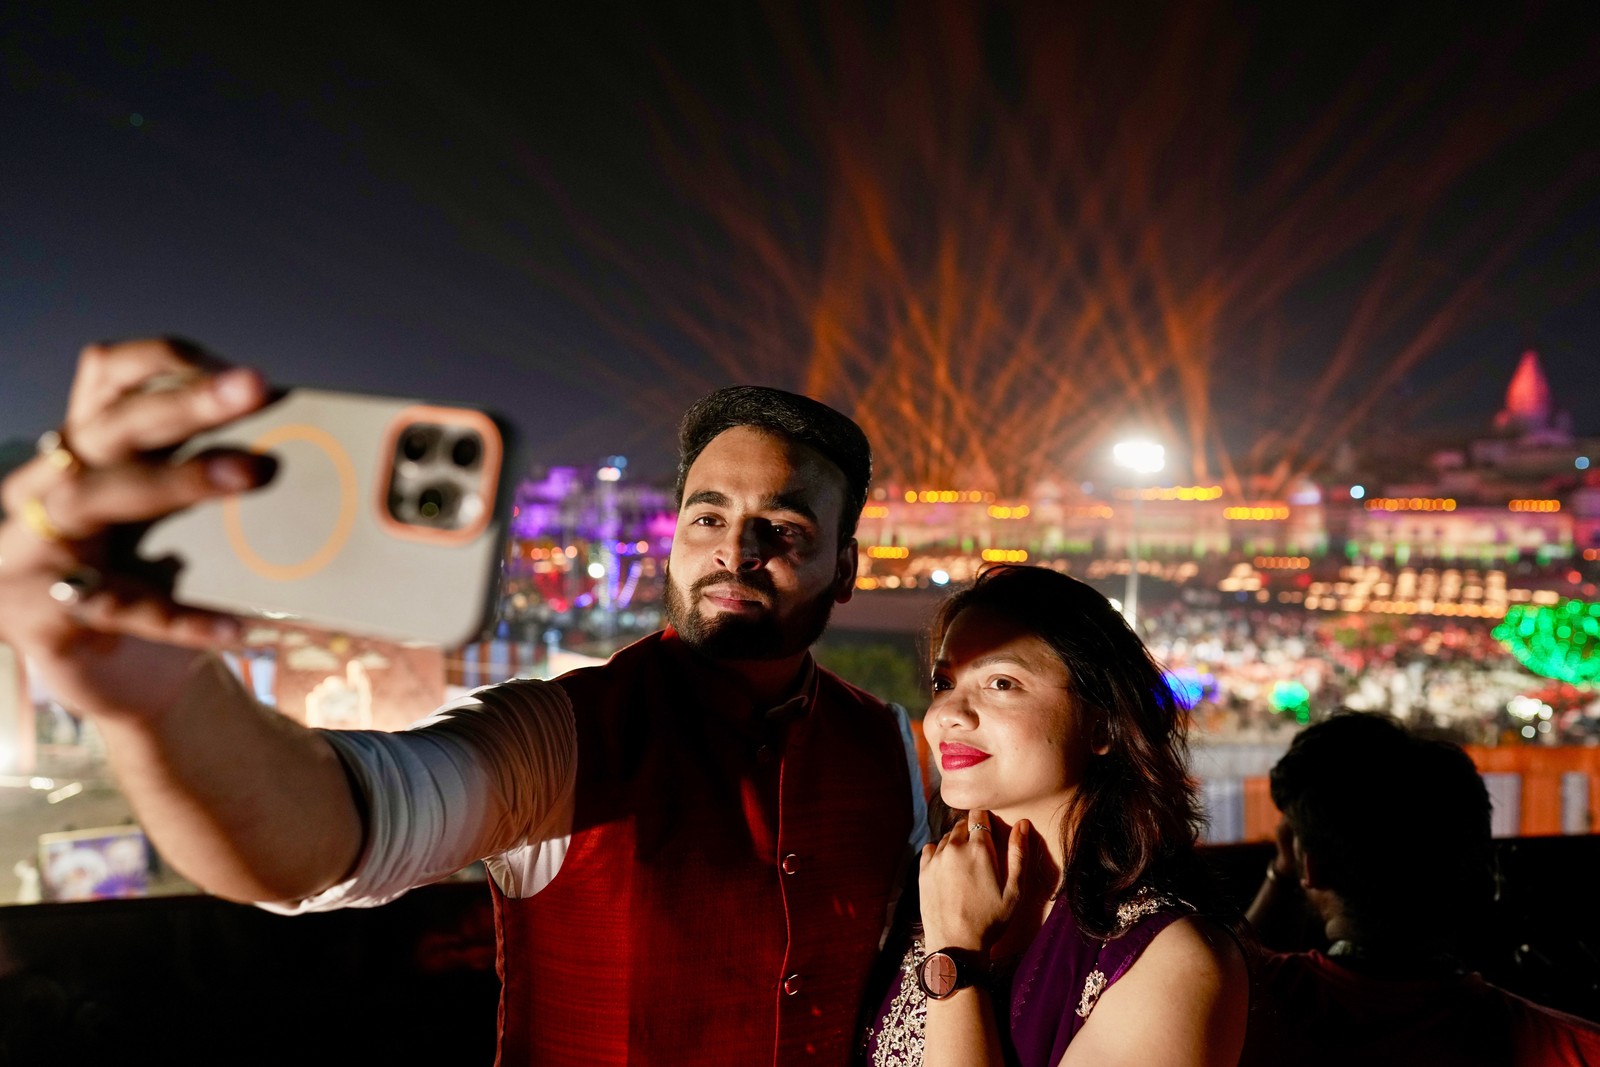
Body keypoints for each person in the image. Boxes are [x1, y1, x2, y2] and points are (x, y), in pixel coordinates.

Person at [0, 338, 928, 1065]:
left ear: (845, 569)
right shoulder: (560, 732)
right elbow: (335, 829)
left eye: (787, 526)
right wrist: (157, 698)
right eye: (709, 514)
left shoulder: (895, 749)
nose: (738, 546)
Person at [857, 564, 1249, 1067]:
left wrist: (955, 956)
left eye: (1001, 682)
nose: (949, 713)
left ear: (1104, 726)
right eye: (943, 682)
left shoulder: (1173, 960)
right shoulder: (930, 891)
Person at [1239, 711, 1600, 1066]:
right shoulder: (1579, 1048)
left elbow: (1239, 969)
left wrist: (1283, 873)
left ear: (1311, 868)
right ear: (1482, 868)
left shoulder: (1238, 1014)